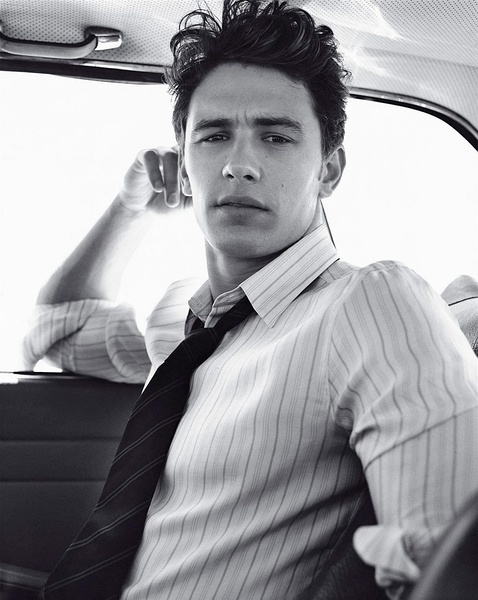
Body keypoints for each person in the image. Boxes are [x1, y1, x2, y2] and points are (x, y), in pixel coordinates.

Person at [23, 1, 478, 599]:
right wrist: (131, 210)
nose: (239, 165)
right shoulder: (182, 319)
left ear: (329, 171)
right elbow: (58, 330)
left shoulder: (371, 303)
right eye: (214, 136)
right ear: (185, 166)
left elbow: (446, 563)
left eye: (276, 137)